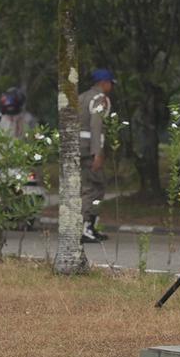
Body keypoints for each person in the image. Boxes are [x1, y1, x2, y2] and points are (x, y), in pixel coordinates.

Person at [78, 69, 115, 243]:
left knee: (87, 186)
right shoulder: (100, 99)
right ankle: (87, 226)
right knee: (95, 188)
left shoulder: (82, 97)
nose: (111, 87)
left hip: (77, 148)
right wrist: (97, 153)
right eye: (111, 83)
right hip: (89, 150)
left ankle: (88, 227)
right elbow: (96, 126)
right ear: (104, 83)